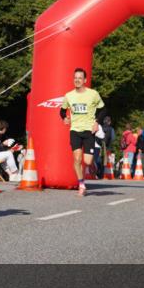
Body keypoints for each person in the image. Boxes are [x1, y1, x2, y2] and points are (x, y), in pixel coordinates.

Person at [60, 67, 105, 196]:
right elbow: (62, 111)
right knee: (77, 159)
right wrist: (64, 118)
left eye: (80, 78)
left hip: (89, 130)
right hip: (75, 130)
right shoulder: (69, 96)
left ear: (85, 80)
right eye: (75, 78)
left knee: (88, 161)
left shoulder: (93, 94)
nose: (77, 80)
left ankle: (94, 164)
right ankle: (81, 184)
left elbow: (103, 110)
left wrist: (97, 122)